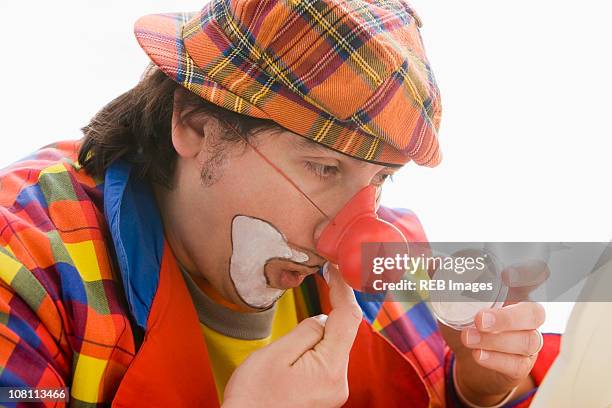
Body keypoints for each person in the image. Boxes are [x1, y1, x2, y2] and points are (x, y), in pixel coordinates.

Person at [0, 0, 560, 406]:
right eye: (323, 168)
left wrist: (477, 388)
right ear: (195, 125)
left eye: (381, 180)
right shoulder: (26, 259)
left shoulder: (392, 262)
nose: (352, 230)